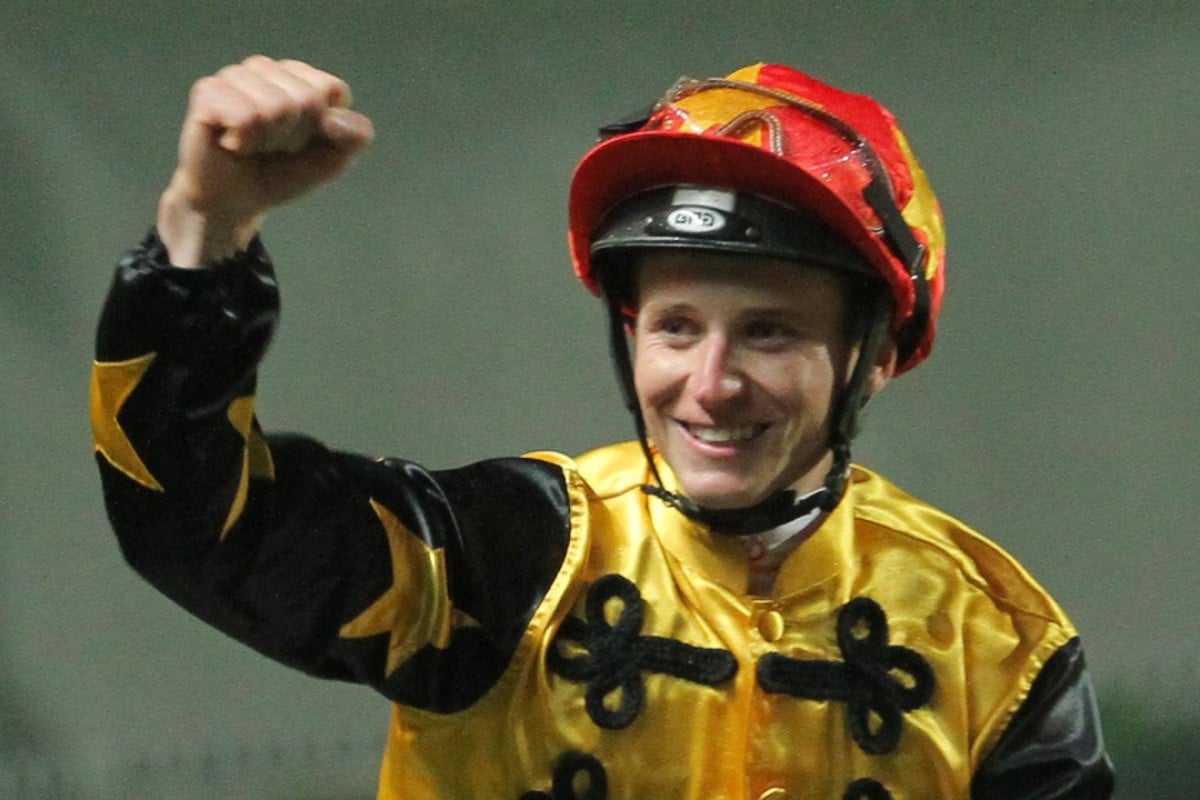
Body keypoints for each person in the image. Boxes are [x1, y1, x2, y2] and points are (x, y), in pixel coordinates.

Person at [90, 56, 1114, 799]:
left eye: (768, 332)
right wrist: (203, 231)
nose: (709, 383)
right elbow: (194, 521)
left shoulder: (996, 641)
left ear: (875, 357)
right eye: (675, 327)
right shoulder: (498, 561)